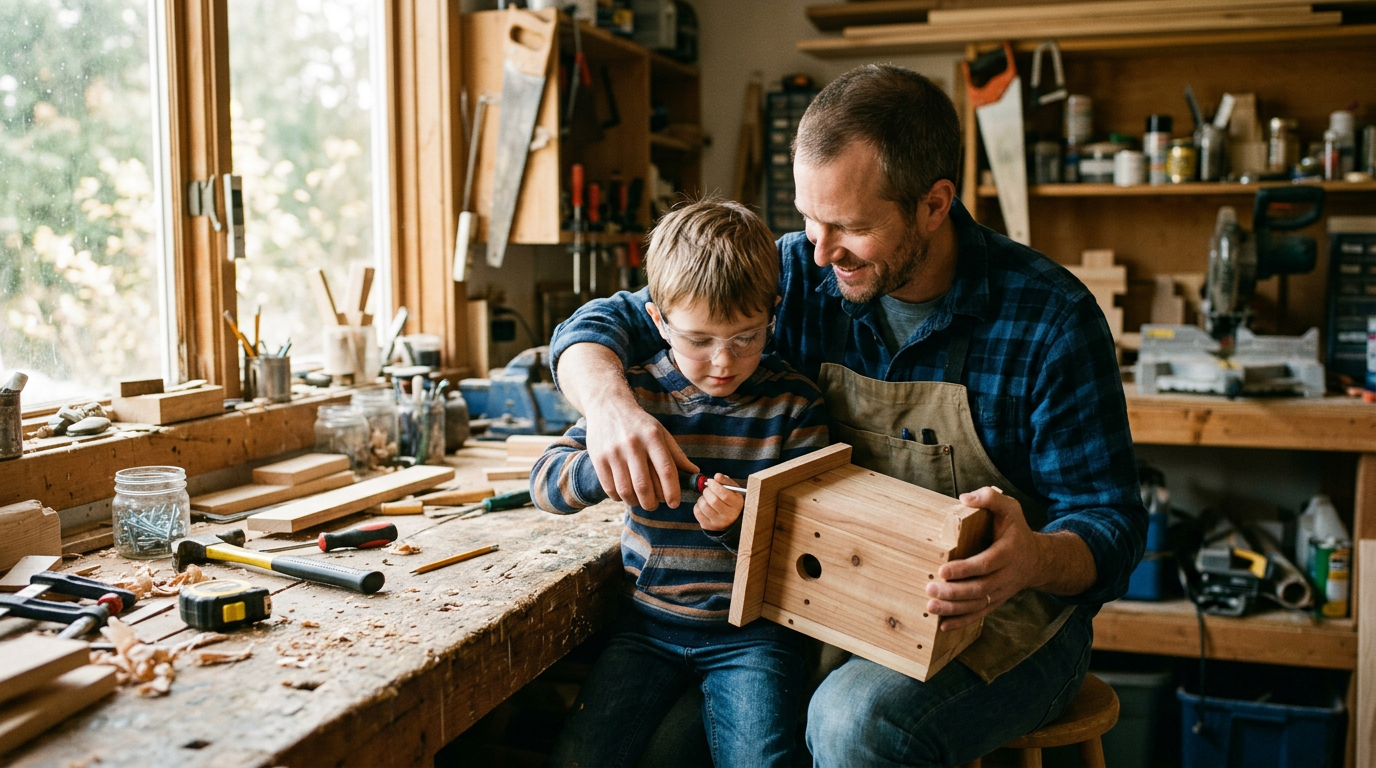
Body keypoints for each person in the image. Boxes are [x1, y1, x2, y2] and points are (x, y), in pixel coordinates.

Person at [548, 64, 1147, 766]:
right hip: (832, 599)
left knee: (853, 723)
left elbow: (1112, 525)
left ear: (934, 204)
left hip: (1004, 621)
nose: (819, 249)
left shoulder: (1049, 319)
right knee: (670, 746)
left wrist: (1032, 558)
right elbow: (602, 322)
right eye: (808, 218)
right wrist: (611, 407)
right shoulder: (799, 272)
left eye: (852, 228)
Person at [532, 199, 830, 767]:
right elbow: (546, 483)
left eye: (747, 337)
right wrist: (606, 464)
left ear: (774, 310)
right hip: (646, 627)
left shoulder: (793, 405)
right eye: (698, 340)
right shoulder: (636, 396)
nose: (723, 361)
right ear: (658, 320)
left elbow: (814, 540)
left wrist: (743, 522)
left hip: (753, 637)